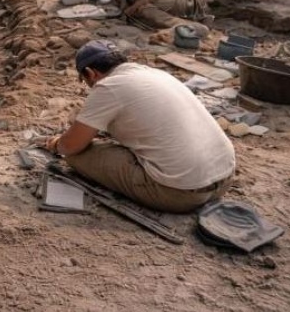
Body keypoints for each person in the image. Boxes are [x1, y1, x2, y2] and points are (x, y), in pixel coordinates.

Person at [44, 40, 235, 213]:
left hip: (180, 193)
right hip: (224, 178)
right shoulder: (154, 74)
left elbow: (71, 146)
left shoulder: (109, 86)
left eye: (86, 81)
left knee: (77, 156)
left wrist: (57, 143)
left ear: (90, 73)